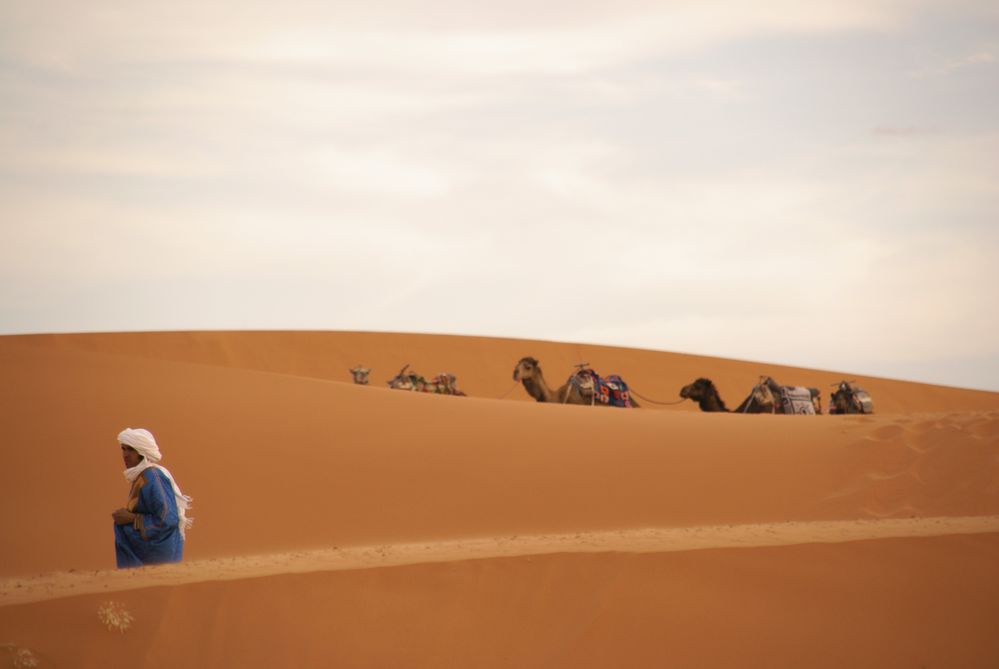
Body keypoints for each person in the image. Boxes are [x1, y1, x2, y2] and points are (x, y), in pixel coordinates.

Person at [112, 428, 193, 568]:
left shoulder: (153, 476)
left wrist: (131, 518)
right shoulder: (141, 477)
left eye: (130, 449)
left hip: (159, 557)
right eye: (123, 449)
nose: (125, 455)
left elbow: (168, 518)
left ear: (142, 453)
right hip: (147, 555)